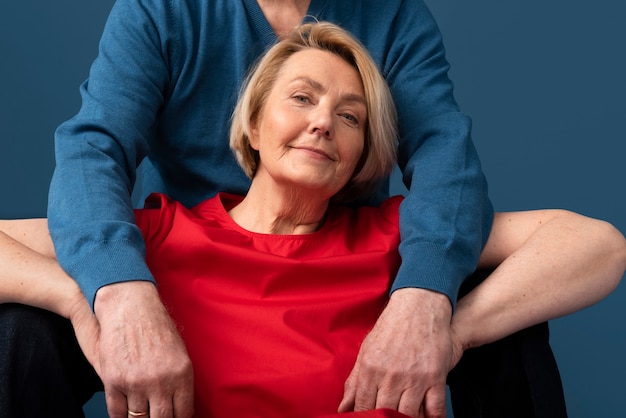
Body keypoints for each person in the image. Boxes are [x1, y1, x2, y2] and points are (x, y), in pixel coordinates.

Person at [1, 22, 625, 418]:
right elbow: (88, 154)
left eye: (350, 118)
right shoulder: (160, 237)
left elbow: (600, 244)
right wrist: (84, 301)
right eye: (301, 98)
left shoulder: (400, 239)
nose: (324, 121)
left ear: (361, 160)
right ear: (250, 125)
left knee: (516, 325)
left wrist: (446, 327)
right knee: (18, 327)